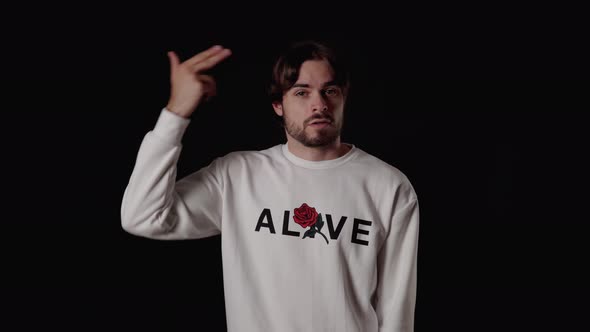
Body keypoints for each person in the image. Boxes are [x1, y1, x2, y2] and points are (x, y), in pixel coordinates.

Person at [121, 40, 420, 332]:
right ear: (278, 105)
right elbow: (143, 216)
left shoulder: (389, 186)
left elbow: (397, 311)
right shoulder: (237, 176)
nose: (319, 104)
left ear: (343, 98)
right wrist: (176, 114)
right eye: (301, 92)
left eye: (330, 90)